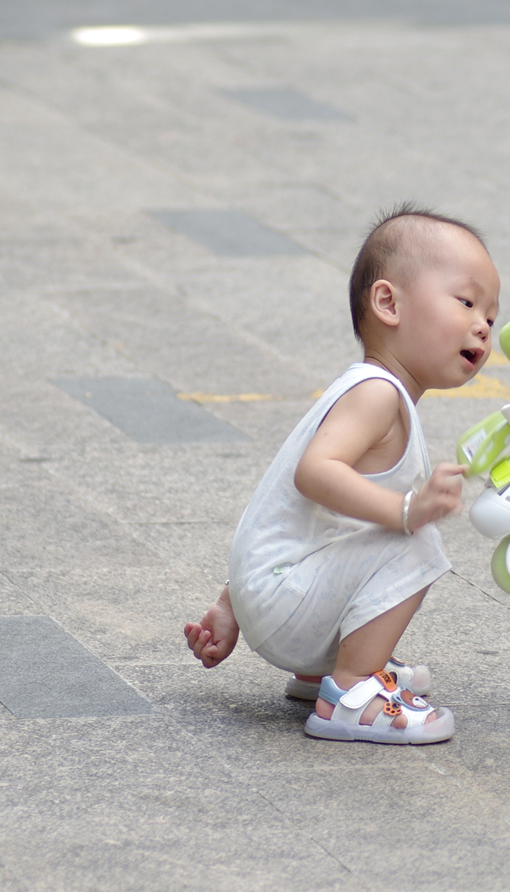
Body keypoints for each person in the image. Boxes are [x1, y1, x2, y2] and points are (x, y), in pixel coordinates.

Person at [182, 206, 493, 744]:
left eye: (491, 313)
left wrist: (231, 605)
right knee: (415, 541)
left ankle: (322, 671)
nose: (483, 325)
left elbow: (300, 518)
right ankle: (350, 693)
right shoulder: (376, 395)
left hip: (267, 592)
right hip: (282, 597)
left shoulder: (369, 390)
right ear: (389, 303)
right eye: (466, 301)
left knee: (390, 530)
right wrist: (406, 510)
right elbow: (312, 476)